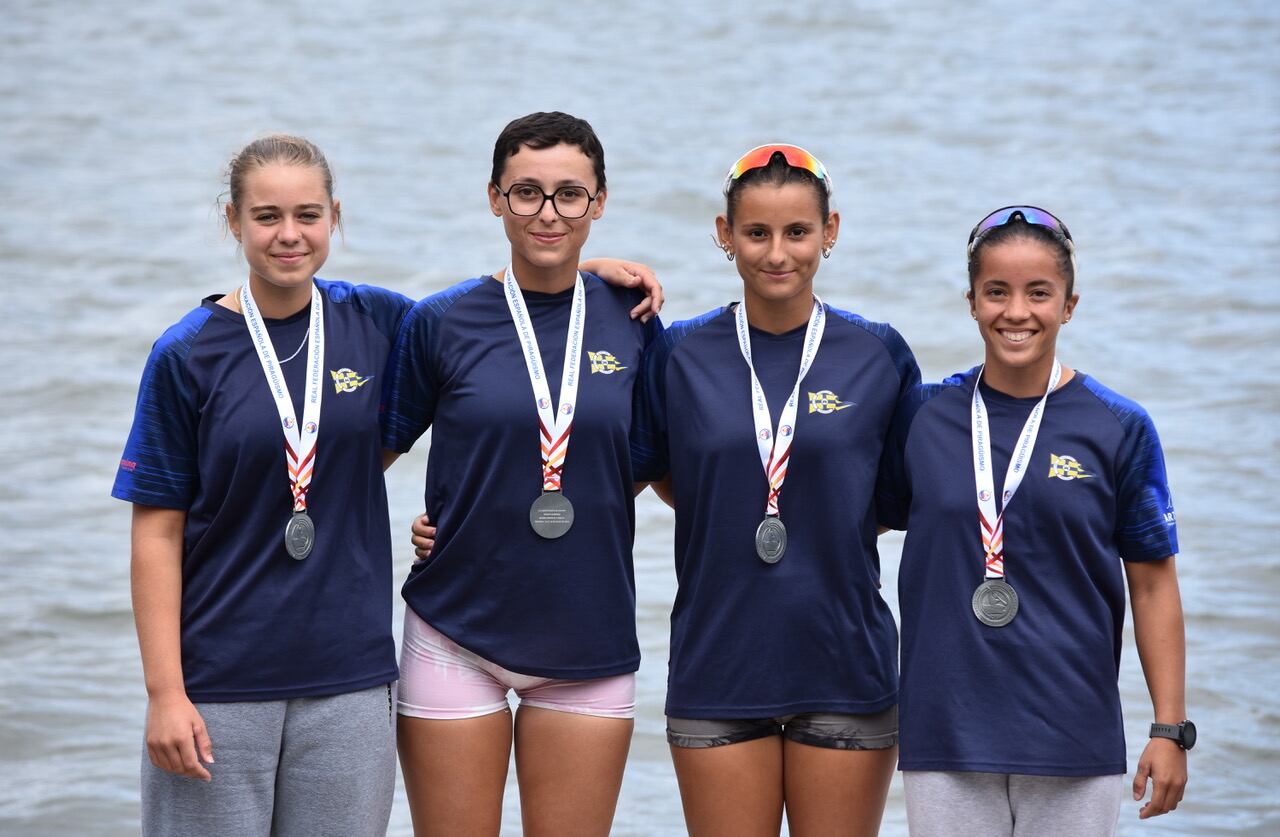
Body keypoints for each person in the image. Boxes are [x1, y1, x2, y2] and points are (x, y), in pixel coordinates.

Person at [112, 133, 661, 837]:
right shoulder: (186, 352)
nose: (289, 234)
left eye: (308, 215)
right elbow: (156, 530)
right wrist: (164, 690)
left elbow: (505, 318)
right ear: (233, 220)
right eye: (267, 216)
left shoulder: (376, 320)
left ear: (334, 217)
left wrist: (586, 268)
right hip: (220, 667)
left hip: (351, 672)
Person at [380, 111, 660, 837]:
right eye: (527, 192)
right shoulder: (440, 322)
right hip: (454, 629)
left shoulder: (633, 319)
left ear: (599, 202)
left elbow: (641, 467)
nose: (548, 213)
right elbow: (363, 461)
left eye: (570, 194)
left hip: (588, 636)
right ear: (495, 198)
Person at [629, 145, 920, 837]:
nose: (777, 253)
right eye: (757, 232)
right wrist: (461, 527)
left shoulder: (879, 353)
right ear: (725, 234)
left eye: (798, 232)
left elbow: (896, 502)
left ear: (830, 231)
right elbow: (644, 475)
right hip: (718, 661)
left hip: (845, 664)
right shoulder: (678, 353)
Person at [879, 206, 1190, 836]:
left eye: (1039, 293)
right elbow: (852, 519)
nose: (1016, 312)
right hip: (945, 734)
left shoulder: (1118, 426)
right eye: (997, 291)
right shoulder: (922, 415)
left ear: (1069, 305)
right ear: (971, 302)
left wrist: (1169, 729)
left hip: (1072, 736)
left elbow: (1153, 584)